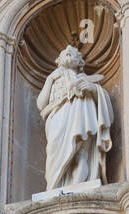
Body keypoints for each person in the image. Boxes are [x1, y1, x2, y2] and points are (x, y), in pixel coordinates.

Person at [37, 45, 113, 193]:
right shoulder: (53, 79)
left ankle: (76, 187)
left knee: (81, 153)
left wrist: (93, 88)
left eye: (71, 54)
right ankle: (53, 188)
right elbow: (41, 104)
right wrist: (50, 79)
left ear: (80, 63)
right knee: (53, 150)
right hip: (58, 116)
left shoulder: (84, 78)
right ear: (58, 61)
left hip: (81, 112)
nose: (68, 53)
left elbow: (103, 98)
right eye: (65, 53)